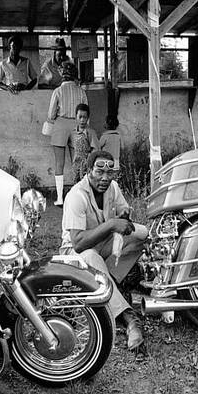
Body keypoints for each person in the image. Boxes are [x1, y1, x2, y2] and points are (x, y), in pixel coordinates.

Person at [60, 150, 147, 353]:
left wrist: (124, 216)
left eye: (110, 173)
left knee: (141, 235)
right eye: (99, 171)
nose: (105, 178)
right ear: (89, 170)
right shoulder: (76, 196)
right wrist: (111, 225)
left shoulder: (112, 187)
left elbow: (124, 210)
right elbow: (78, 243)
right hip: (74, 253)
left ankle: (109, 280)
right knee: (90, 256)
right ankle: (128, 317)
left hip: (101, 243)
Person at [43, 62, 87, 206]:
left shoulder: (57, 91)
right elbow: (86, 112)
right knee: (78, 162)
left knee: (59, 163)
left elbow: (51, 114)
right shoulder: (81, 91)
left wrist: (53, 120)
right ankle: (79, 196)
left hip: (60, 125)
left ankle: (60, 198)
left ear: (62, 75)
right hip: (76, 125)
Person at [68, 103, 99, 181]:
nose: (82, 120)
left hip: (87, 165)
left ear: (88, 118)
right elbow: (72, 149)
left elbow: (96, 149)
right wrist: (74, 163)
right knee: (77, 185)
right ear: (76, 117)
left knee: (86, 184)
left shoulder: (91, 132)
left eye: (84, 117)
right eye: (80, 117)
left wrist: (89, 161)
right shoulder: (72, 133)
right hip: (76, 166)